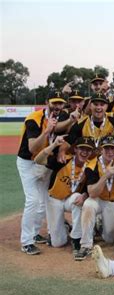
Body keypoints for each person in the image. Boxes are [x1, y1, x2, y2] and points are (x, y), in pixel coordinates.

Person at [16, 90, 69, 254]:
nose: (58, 106)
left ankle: (35, 233)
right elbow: (32, 147)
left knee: (43, 199)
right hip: (28, 162)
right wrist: (47, 132)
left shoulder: (59, 116)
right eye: (55, 102)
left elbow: (60, 127)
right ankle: (26, 241)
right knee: (32, 200)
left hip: (43, 162)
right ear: (47, 102)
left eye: (60, 103)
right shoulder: (34, 119)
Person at [34, 136, 95, 254]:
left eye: (88, 150)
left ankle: (76, 238)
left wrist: (85, 195)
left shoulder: (90, 167)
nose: (84, 152)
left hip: (70, 199)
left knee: (79, 198)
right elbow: (38, 160)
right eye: (82, 148)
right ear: (75, 149)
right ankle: (65, 226)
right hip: (54, 199)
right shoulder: (63, 160)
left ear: (91, 152)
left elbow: (91, 187)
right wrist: (54, 145)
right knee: (58, 243)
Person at [76, 135, 114, 261]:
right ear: (101, 150)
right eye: (107, 148)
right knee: (88, 204)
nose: (110, 152)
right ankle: (85, 245)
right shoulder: (92, 165)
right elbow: (91, 192)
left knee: (109, 239)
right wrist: (105, 176)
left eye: (113, 148)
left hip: (113, 202)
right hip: (98, 199)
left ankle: (99, 224)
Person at [58, 92, 114, 162]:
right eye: (95, 104)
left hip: (109, 158)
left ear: (107, 106)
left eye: (102, 105)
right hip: (89, 159)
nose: (98, 107)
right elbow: (67, 142)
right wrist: (61, 152)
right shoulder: (80, 123)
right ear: (90, 106)